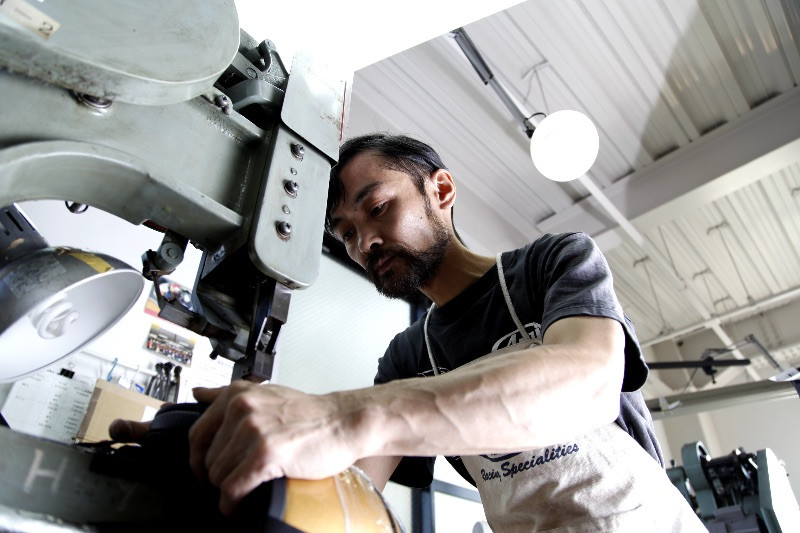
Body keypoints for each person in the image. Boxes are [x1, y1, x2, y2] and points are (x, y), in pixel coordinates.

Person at [113, 133, 704, 531]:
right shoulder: (406, 355)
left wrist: (343, 416)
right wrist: (210, 459)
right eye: (344, 233)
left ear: (440, 191)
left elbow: (585, 384)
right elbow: (352, 486)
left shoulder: (550, 265)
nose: (364, 243)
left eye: (376, 208)